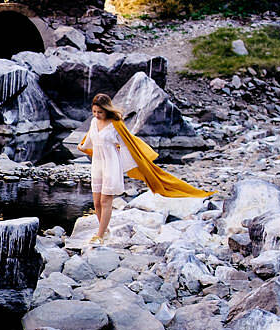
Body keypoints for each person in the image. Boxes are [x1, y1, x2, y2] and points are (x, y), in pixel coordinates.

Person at [78, 93, 212, 244]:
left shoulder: (116, 125)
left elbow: (128, 145)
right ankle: (105, 229)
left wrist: (133, 164)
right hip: (97, 165)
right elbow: (90, 139)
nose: (96, 115)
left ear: (107, 110)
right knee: (96, 202)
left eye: (100, 112)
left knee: (105, 201)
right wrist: (82, 147)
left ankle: (100, 236)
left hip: (111, 166)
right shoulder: (94, 122)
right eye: (94, 112)